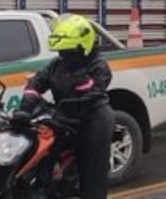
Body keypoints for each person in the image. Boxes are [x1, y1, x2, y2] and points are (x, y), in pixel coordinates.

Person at [19, 13, 115, 199]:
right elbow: (35, 85)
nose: (64, 55)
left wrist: (78, 72)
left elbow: (89, 92)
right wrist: (25, 109)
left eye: (68, 51)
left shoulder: (98, 67)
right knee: (39, 156)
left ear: (82, 47)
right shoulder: (57, 65)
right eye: (61, 51)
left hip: (92, 120)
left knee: (92, 174)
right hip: (63, 117)